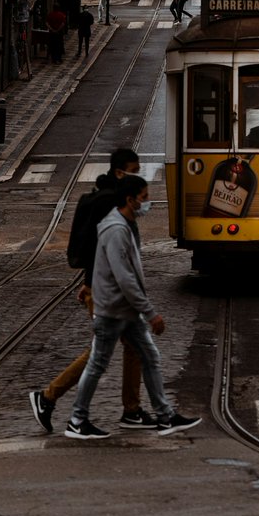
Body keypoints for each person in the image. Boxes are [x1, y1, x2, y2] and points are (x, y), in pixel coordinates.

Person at [65, 174, 202, 439]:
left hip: (124, 311)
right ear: (130, 200)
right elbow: (124, 277)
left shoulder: (124, 225)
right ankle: (76, 420)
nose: (148, 202)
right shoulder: (116, 230)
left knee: (149, 356)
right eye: (144, 197)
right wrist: (150, 313)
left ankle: (165, 415)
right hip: (114, 310)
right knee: (97, 364)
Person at [29, 148, 149, 434]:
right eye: (134, 170)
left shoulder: (110, 197)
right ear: (120, 172)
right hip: (109, 289)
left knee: (134, 346)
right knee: (101, 352)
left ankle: (131, 410)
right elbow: (103, 248)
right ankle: (47, 398)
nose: (138, 176)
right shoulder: (110, 203)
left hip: (104, 285)